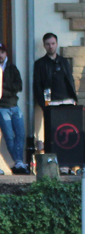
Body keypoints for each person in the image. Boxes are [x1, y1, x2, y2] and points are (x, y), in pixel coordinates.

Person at [0, 42, 27, 174]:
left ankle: (18, 162)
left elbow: (19, 87)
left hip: (14, 105)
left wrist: (4, 88)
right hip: (2, 107)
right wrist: (8, 89)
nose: (0, 55)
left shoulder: (12, 68)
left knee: (20, 134)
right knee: (9, 136)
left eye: (2, 52)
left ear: (6, 53)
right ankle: (18, 162)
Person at [33, 33, 78, 109]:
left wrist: (73, 99)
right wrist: (43, 104)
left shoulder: (64, 62)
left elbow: (70, 80)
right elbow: (37, 85)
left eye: (53, 43)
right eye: (48, 44)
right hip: (51, 102)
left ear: (57, 44)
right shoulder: (40, 64)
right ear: (44, 45)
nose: (51, 46)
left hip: (68, 100)